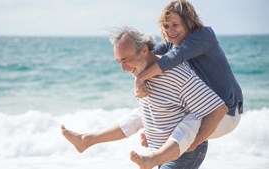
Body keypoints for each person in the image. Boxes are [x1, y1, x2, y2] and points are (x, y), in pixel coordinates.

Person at [61, 26, 229, 169]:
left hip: (185, 152)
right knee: (137, 115)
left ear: (144, 50)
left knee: (191, 119)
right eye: (119, 61)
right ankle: (87, 139)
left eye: (125, 59)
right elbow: (155, 112)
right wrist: (150, 133)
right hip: (158, 151)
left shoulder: (175, 72)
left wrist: (193, 144)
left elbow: (218, 109)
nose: (123, 67)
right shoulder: (140, 74)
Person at [135, 0, 243, 151]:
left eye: (175, 25)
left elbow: (175, 57)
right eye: (166, 26)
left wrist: (141, 78)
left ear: (188, 22)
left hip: (226, 113)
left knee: (176, 123)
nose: (170, 30)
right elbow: (150, 58)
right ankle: (93, 138)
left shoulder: (204, 35)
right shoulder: (172, 43)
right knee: (138, 114)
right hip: (204, 110)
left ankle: (187, 146)